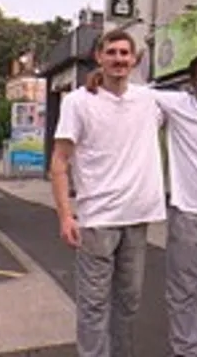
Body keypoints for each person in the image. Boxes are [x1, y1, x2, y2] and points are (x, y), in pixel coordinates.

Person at [85, 54, 197, 357]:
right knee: (183, 290)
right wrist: (101, 77)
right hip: (188, 214)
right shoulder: (178, 105)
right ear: (192, 84)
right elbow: (135, 90)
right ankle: (187, 349)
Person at [50, 29, 166, 357]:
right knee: (93, 306)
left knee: (129, 305)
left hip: (138, 217)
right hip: (97, 220)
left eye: (124, 54)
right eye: (111, 52)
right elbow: (59, 162)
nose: (118, 59)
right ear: (98, 57)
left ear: (134, 60)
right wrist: (65, 215)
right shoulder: (77, 102)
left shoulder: (149, 99)